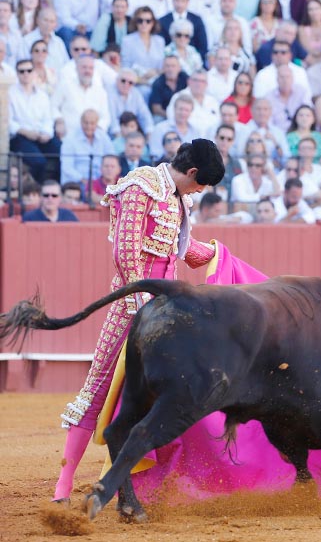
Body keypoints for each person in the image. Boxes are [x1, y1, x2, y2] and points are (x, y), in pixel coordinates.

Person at [52, 140, 224, 503]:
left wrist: (219, 257)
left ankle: (159, 486)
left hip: (167, 309)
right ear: (192, 173)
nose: (200, 191)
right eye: (201, 184)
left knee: (181, 391)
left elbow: (183, 251)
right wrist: (145, 308)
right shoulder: (140, 184)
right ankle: (62, 487)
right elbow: (126, 255)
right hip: (130, 307)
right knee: (97, 390)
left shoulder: (179, 198)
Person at [9, 58, 61, 184]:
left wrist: (46, 134)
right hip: (20, 137)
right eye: (22, 71)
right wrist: (26, 132)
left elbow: (48, 119)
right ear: (17, 74)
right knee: (38, 162)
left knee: (63, 153)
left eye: (29, 70)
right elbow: (9, 122)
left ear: (34, 73)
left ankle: (59, 188)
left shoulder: (42, 95)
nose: (25, 74)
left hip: (41, 135)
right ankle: (36, 190)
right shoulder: (10, 94)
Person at [60, 109, 115, 190]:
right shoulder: (70, 139)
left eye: (92, 123)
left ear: (97, 123)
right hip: (76, 183)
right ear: (81, 122)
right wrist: (83, 180)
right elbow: (67, 167)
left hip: (100, 182)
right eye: (86, 123)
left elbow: (112, 158)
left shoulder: (103, 136)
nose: (89, 126)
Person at [120, 6, 165, 99]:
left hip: (157, 83)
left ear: (153, 23)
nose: (144, 24)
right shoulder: (127, 41)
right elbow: (125, 66)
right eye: (140, 20)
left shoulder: (160, 41)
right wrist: (141, 80)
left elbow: (163, 66)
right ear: (136, 22)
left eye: (148, 21)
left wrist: (155, 72)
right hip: (136, 84)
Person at [158, 0, 208, 64]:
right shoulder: (163, 21)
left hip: (193, 64)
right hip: (169, 64)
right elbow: (161, 45)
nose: (179, 4)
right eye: (177, 0)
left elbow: (203, 46)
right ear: (172, 0)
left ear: (188, 2)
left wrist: (194, 60)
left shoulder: (197, 20)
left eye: (183, 1)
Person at [107, 68, 154, 141]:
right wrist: (120, 141)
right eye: (123, 81)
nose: (126, 84)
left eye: (130, 82)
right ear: (116, 80)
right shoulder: (109, 93)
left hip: (132, 134)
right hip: (113, 136)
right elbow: (112, 120)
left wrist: (149, 135)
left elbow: (145, 116)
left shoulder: (136, 93)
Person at [148, 54, 189, 122]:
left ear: (179, 68)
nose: (170, 69)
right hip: (164, 115)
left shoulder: (186, 79)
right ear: (163, 68)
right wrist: (173, 116)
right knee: (157, 119)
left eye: (173, 66)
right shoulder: (158, 83)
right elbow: (156, 109)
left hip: (185, 113)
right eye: (167, 66)